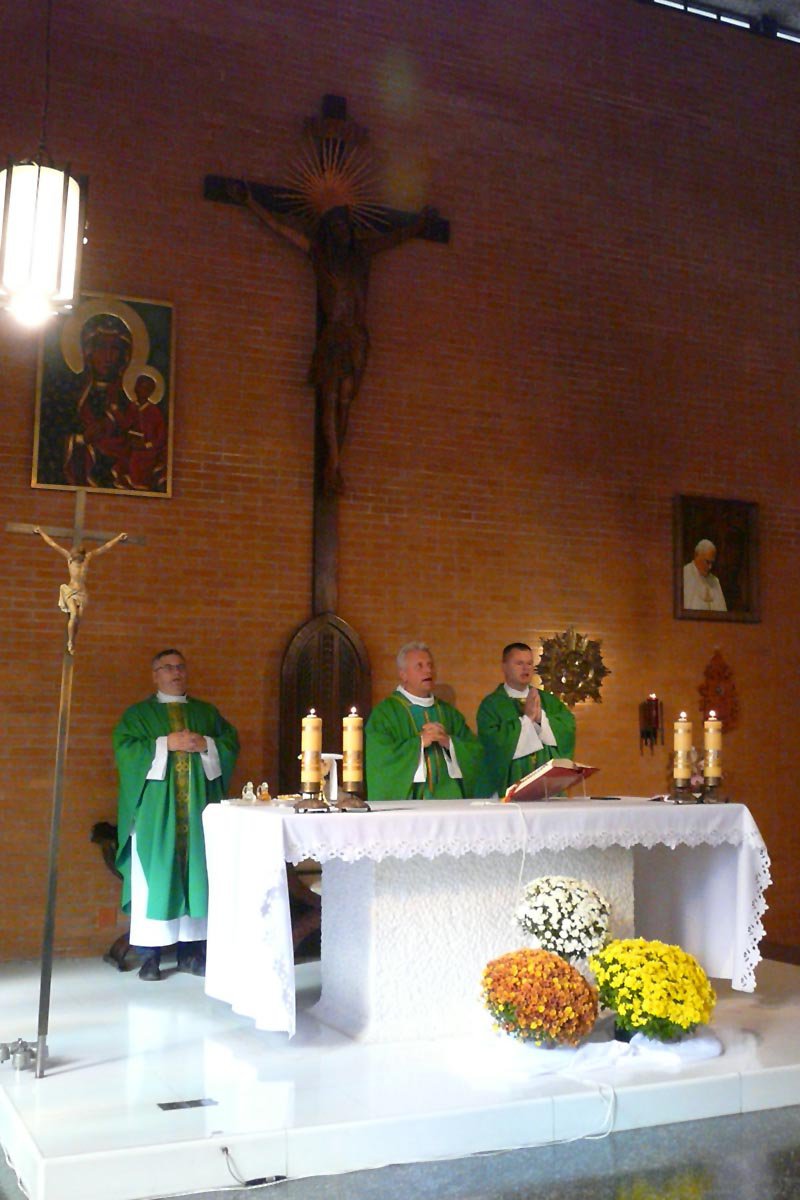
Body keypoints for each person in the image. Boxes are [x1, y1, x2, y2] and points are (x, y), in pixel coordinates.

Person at [237, 185, 432, 494]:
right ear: (328, 229)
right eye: (336, 225)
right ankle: (333, 462)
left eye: (344, 223)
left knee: (345, 398)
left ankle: (335, 460)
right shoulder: (320, 255)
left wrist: (419, 225)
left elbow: (394, 238)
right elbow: (281, 229)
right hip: (335, 334)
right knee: (329, 398)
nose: (341, 230)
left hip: (357, 337)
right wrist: (251, 203)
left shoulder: (362, 254)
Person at [113, 649, 239, 981]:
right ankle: (149, 957)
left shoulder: (206, 713)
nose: (175, 672)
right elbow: (125, 750)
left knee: (197, 875)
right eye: (167, 667)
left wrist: (207, 745)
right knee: (152, 880)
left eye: (180, 666)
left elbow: (230, 743)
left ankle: (191, 954)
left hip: (196, 813)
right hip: (156, 816)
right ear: (155, 675)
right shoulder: (138, 715)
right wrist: (163, 744)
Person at [365, 641, 483, 800]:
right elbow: (379, 758)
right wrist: (419, 743)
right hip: (409, 801)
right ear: (403, 675)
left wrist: (449, 743)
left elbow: (475, 751)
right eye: (419, 666)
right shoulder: (386, 713)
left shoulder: (448, 713)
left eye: (430, 665)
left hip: (449, 800)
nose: (428, 670)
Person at [477, 642, 576, 798]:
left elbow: (568, 727)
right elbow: (492, 745)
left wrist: (541, 719)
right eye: (519, 663)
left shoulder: (548, 701)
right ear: (504, 667)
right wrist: (527, 720)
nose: (526, 668)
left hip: (548, 790)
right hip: (511, 785)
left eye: (529, 663)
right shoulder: (491, 705)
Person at [63, 313, 137, 489]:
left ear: (124, 355)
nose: (108, 356)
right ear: (88, 352)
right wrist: (81, 439)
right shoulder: (70, 394)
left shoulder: (128, 399)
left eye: (115, 349)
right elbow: (52, 436)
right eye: (101, 348)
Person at [33, 526, 128, 653]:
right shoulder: (69, 558)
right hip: (70, 591)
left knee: (78, 619)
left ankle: (73, 640)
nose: (77, 561)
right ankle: (70, 641)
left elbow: (105, 547)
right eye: (76, 559)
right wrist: (41, 532)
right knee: (73, 615)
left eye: (79, 559)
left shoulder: (87, 558)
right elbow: (53, 544)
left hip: (82, 593)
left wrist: (118, 538)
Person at [683, 539, 727, 611]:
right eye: (707, 562)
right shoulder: (684, 575)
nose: (710, 567)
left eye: (712, 563)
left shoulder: (715, 581)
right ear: (696, 555)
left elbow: (722, 611)